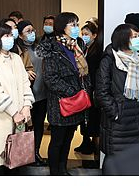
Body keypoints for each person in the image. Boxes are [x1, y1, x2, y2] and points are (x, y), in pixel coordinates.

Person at [39, 11, 91, 176]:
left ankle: (63, 168)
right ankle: (55, 172)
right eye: (72, 25)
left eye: (77, 24)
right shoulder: (52, 47)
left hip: (77, 101)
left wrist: (83, 91)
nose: (76, 28)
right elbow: (50, 78)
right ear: (62, 27)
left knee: (68, 139)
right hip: (61, 102)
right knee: (57, 141)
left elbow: (84, 72)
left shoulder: (78, 45)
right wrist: (72, 92)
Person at [0, 22, 34, 175]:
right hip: (1, 119)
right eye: (6, 35)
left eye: (11, 35)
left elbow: (25, 83)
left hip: (20, 118)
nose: (10, 38)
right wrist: (14, 113)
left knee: (16, 158)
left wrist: (26, 106)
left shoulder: (16, 58)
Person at [95, 23, 139, 162]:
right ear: (123, 38)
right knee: (115, 161)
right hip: (119, 121)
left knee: (135, 161)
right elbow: (102, 92)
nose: (138, 39)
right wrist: (115, 112)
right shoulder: (110, 60)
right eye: (134, 37)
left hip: (138, 118)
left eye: (137, 36)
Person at [15, 20, 48, 166]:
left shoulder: (38, 47)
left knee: (39, 125)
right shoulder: (17, 50)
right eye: (28, 31)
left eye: (33, 30)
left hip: (42, 93)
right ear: (20, 35)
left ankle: (36, 153)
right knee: (27, 126)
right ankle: (25, 155)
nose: (32, 33)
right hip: (27, 96)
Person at [75, 20, 102, 156]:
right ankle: (86, 142)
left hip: (93, 88)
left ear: (94, 35)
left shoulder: (97, 51)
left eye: (87, 34)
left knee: (93, 119)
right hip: (84, 88)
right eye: (83, 34)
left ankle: (95, 148)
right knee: (85, 117)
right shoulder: (85, 48)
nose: (84, 36)